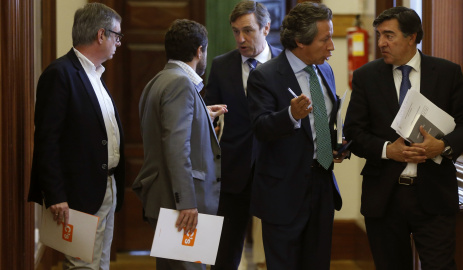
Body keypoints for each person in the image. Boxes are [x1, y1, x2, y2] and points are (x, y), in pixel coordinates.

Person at [344, 7, 463, 270]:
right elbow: (354, 134)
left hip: (434, 195)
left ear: (411, 37)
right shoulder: (366, 77)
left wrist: (442, 146)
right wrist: (386, 150)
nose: (381, 42)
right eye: (380, 35)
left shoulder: (447, 73)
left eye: (389, 35)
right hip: (384, 197)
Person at [247, 2, 347, 269]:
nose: (332, 46)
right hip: (283, 192)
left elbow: (323, 123)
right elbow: (260, 127)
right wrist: (290, 116)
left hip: (322, 185)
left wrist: (336, 144)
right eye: (325, 39)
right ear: (301, 42)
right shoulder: (264, 76)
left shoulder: (325, 70)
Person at [28, 3, 125, 269]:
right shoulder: (60, 74)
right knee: (82, 266)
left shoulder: (96, 74)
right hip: (78, 192)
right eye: (116, 35)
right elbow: (47, 140)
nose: (118, 42)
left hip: (106, 187)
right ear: (100, 35)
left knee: (99, 264)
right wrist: (56, 194)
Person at [132, 19, 226, 270]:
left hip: (166, 198)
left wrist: (204, 115)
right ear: (199, 51)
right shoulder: (181, 83)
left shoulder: (158, 80)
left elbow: (168, 128)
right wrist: (187, 202)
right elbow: (176, 146)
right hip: (180, 205)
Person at [203, 1, 281, 269]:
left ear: (267, 28)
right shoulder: (222, 65)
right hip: (233, 174)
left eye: (248, 31)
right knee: (224, 254)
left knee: (279, 252)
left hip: (277, 171)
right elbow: (207, 119)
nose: (241, 39)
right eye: (236, 31)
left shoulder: (286, 64)